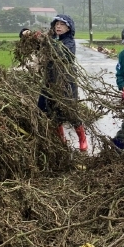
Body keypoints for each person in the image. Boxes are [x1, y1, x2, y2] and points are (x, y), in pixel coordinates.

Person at [37, 14, 88, 151]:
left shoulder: (69, 43)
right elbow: (35, 43)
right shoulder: (50, 39)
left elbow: (62, 54)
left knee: (70, 111)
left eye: (62, 24)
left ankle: (82, 139)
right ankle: (61, 139)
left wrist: (47, 42)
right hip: (49, 82)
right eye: (56, 24)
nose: (58, 26)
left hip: (66, 83)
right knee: (46, 109)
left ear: (69, 28)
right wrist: (26, 33)